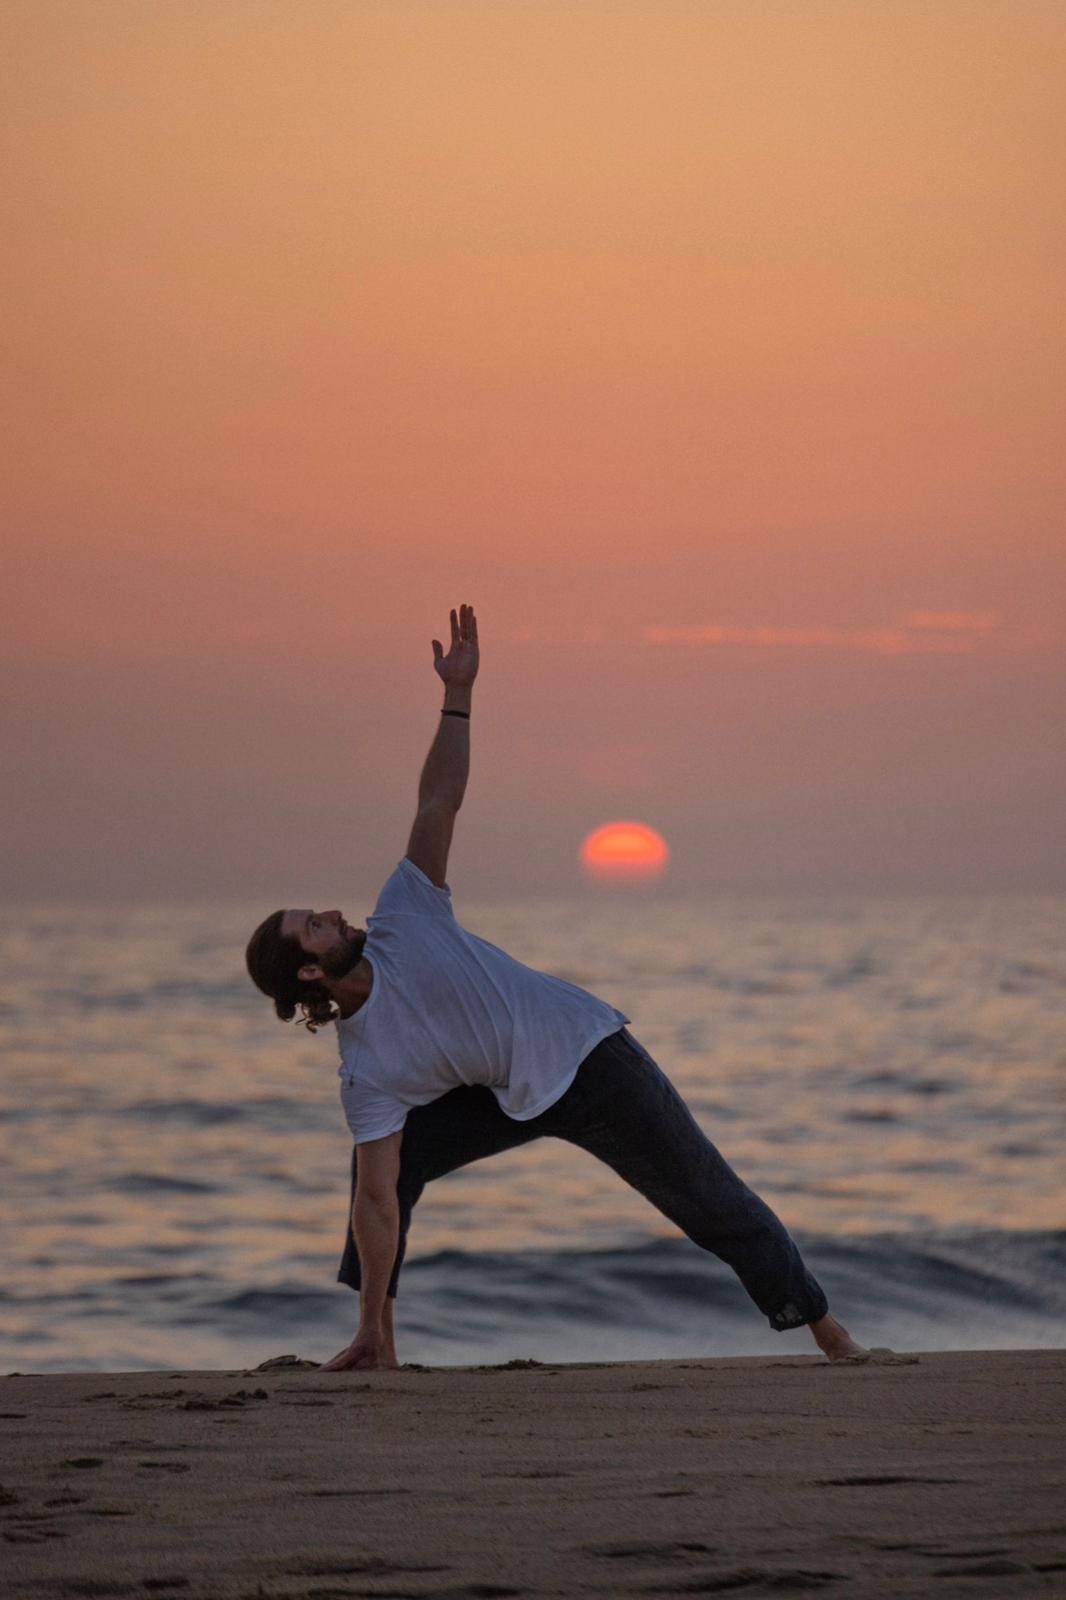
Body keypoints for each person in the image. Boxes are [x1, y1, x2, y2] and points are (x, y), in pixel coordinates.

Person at [245, 603, 867, 1371]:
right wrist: (369, 1315)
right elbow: (376, 1200)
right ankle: (379, 1341)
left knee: (708, 1200)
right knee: (376, 1170)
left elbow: (438, 799)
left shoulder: (405, 913)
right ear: (312, 972)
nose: (332, 914)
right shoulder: (365, 1068)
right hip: (505, 1097)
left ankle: (830, 1335)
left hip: (591, 1060)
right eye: (315, 926)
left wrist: (458, 696)